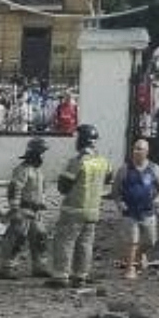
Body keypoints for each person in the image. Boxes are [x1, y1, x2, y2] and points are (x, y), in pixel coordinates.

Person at [46, 123, 110, 289]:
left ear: (81, 140)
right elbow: (108, 179)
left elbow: (63, 186)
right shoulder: (103, 162)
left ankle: (61, 276)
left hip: (73, 211)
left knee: (65, 242)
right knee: (85, 244)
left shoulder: (78, 162)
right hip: (93, 212)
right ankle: (80, 276)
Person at [109, 137, 159, 279]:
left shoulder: (154, 168)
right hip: (130, 211)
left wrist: (158, 198)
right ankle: (130, 269)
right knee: (132, 241)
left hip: (148, 211)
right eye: (134, 148)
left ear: (147, 152)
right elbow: (115, 190)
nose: (136, 151)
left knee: (151, 241)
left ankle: (140, 255)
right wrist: (119, 203)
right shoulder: (124, 169)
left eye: (139, 149)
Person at [0, 137, 52, 279]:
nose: (43, 156)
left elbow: (42, 190)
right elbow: (14, 188)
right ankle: (7, 267)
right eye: (41, 153)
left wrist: (42, 206)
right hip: (23, 209)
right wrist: (14, 208)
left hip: (35, 210)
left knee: (40, 238)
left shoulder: (38, 171)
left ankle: (40, 266)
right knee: (17, 239)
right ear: (34, 153)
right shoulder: (22, 170)